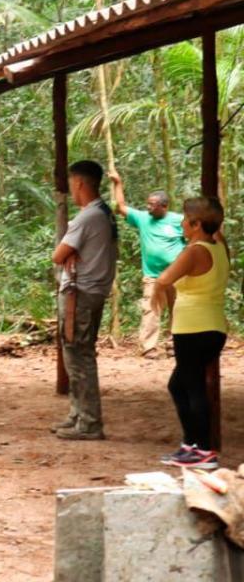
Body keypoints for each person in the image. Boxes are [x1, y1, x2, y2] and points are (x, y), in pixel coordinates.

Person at [153, 197, 228, 470]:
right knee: (180, 385)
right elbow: (215, 226)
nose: (182, 223)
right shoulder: (219, 246)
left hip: (194, 327)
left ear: (197, 224)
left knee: (192, 386)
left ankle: (205, 450)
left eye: (186, 220)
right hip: (211, 326)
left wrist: (156, 295)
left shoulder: (195, 251)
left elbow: (164, 278)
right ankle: (192, 445)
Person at [51, 160, 118, 441]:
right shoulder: (104, 213)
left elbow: (57, 255)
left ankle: (89, 422)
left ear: (79, 183)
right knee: (76, 354)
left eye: (71, 184)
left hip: (81, 295)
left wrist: (67, 252)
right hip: (92, 292)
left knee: (79, 357)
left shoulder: (88, 217)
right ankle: (78, 415)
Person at [108, 171, 185, 358]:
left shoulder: (179, 220)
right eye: (148, 204)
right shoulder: (143, 218)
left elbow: (194, 237)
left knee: (179, 309)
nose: (148, 207)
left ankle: (176, 345)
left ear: (164, 206)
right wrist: (118, 182)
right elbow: (120, 207)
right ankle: (149, 347)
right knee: (151, 309)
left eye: (152, 204)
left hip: (177, 275)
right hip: (153, 276)